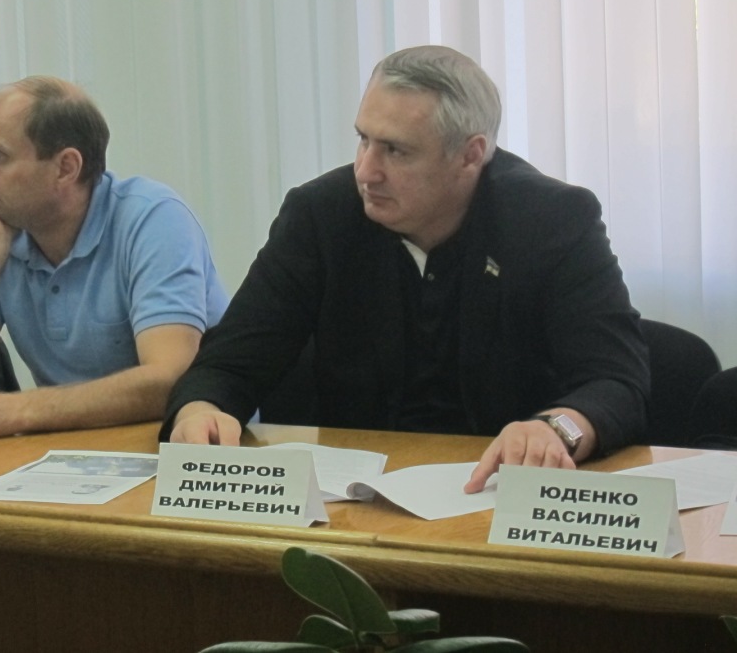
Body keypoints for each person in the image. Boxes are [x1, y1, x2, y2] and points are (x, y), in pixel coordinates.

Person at [161, 45, 650, 493]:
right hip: (354, 505)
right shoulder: (320, 216)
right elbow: (227, 364)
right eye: (363, 140)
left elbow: (617, 381)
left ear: (470, 155)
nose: (366, 171)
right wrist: (200, 411)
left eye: (395, 151)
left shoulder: (551, 221)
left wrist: (556, 429)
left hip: (504, 498)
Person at [0, 76, 228, 439]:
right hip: (72, 449)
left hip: (183, 446)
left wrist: (14, 410)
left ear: (66, 168)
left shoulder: (153, 219)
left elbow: (171, 379)